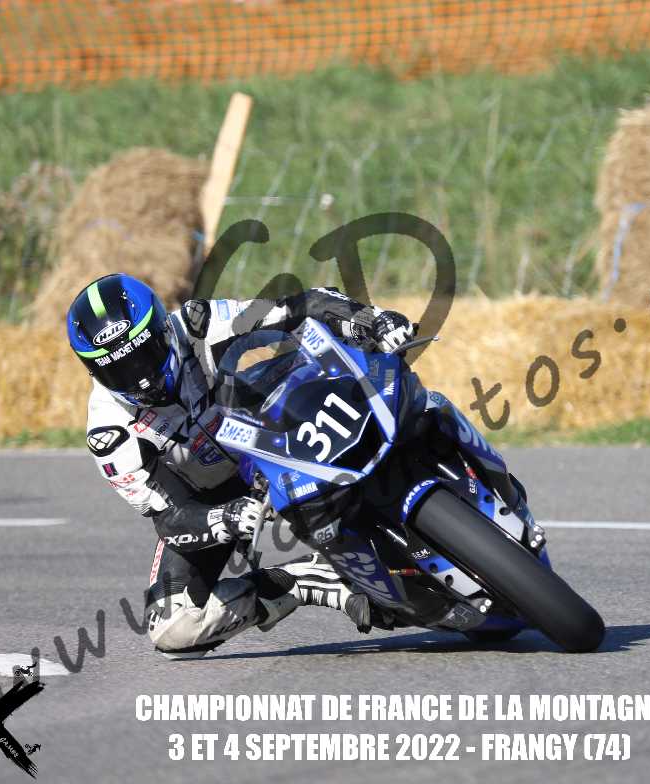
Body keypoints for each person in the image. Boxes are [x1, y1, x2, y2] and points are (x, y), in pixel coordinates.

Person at [65, 273, 415, 658]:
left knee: (347, 359)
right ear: (93, 371)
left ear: (164, 330)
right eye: (120, 371)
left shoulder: (197, 325)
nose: (143, 380)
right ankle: (307, 581)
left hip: (274, 435)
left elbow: (297, 306)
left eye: (144, 356)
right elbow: (168, 518)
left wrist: (371, 319)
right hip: (214, 500)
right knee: (171, 630)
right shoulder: (109, 433)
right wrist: (224, 518)